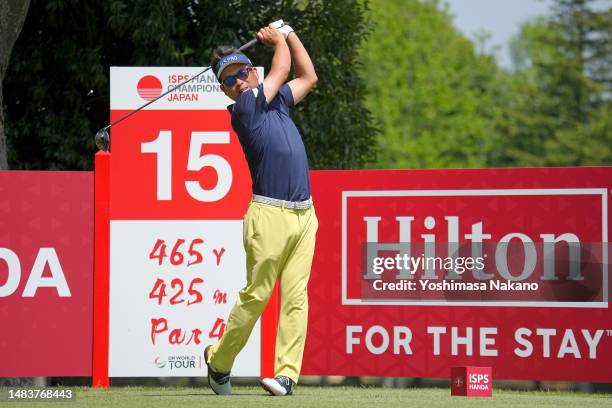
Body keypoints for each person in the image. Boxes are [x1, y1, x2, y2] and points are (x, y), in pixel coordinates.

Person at [204, 21, 318, 397]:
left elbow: (308, 75)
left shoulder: (277, 103)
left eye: (241, 73)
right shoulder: (245, 110)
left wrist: (291, 34)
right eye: (229, 80)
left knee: (296, 297)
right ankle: (219, 363)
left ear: (253, 71)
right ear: (225, 89)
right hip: (268, 215)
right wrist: (281, 36)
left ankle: (286, 375)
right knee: (257, 296)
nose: (237, 82)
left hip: (305, 215)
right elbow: (283, 68)